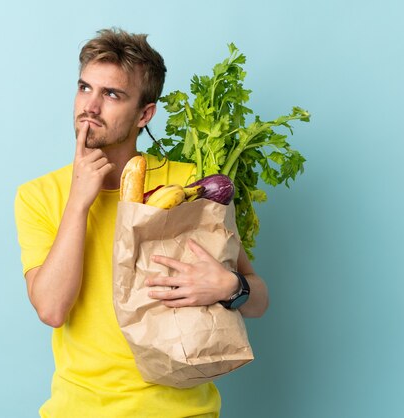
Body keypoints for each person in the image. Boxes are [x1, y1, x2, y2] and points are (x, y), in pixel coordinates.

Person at [14, 27, 269, 418]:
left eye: (112, 94)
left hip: (184, 411)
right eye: (85, 88)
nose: (90, 107)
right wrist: (79, 201)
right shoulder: (39, 195)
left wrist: (230, 286)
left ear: (145, 113)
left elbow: (259, 300)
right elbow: (52, 310)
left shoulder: (188, 184)